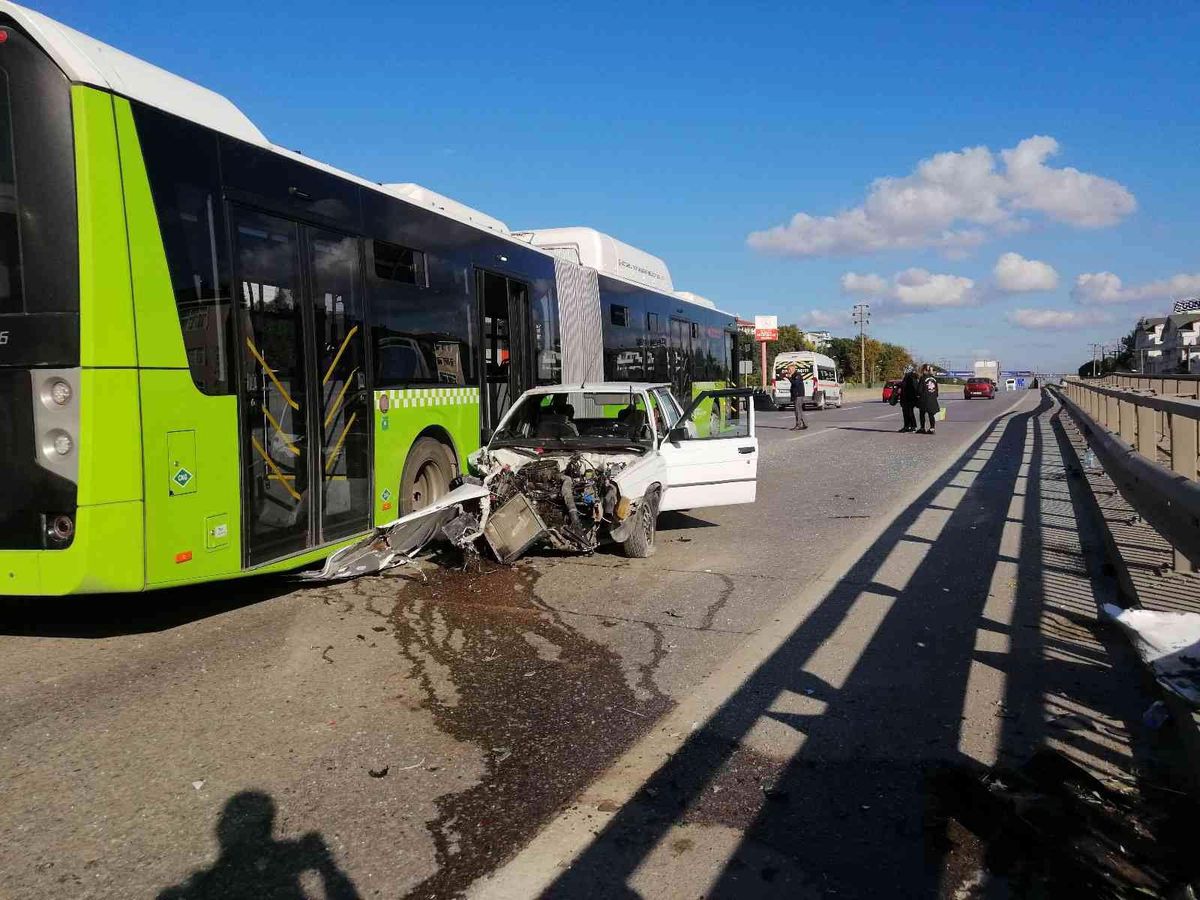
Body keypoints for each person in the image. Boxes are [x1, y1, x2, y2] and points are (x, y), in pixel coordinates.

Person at [917, 364, 940, 434]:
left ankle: (922, 428)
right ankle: (932, 428)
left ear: (924, 370)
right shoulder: (934, 379)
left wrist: (918, 395)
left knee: (922, 413)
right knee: (931, 414)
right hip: (933, 399)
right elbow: (936, 391)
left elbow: (919, 390)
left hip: (924, 399)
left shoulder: (923, 378)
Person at [787, 364, 808, 430]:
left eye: (789, 370)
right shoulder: (793, 375)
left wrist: (789, 378)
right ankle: (805, 424)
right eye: (788, 370)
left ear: (793, 369)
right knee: (799, 410)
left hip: (798, 395)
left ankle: (798, 425)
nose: (788, 371)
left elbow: (795, 383)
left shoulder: (797, 375)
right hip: (796, 395)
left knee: (797, 411)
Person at [898, 366, 919, 433]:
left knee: (909, 412)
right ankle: (907, 426)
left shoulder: (911, 377)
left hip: (909, 398)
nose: (904, 370)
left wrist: (915, 397)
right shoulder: (907, 377)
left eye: (905, 369)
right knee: (906, 413)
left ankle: (912, 426)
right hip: (905, 398)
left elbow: (914, 387)